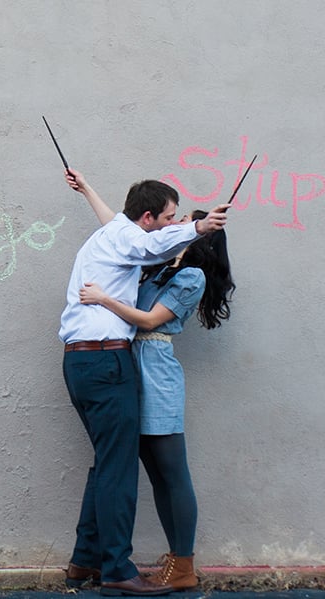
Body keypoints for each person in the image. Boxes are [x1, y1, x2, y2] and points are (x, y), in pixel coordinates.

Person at [59, 168, 229, 596]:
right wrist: (200, 224)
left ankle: (89, 559)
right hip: (107, 363)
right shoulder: (135, 244)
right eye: (171, 217)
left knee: (120, 465)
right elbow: (136, 231)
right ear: (150, 217)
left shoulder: (149, 254)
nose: (175, 225)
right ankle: (115, 567)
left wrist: (88, 189)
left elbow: (131, 230)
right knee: (117, 469)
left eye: (181, 222)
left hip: (101, 364)